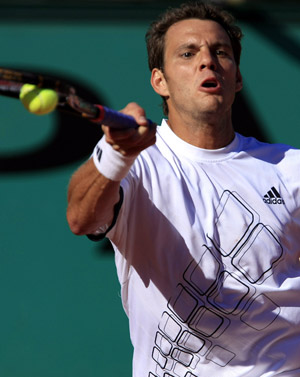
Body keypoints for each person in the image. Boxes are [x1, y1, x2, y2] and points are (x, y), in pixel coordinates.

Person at [66, 1, 300, 376]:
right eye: (188, 54)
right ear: (160, 80)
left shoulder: (291, 169)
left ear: (237, 77)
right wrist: (114, 154)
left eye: (220, 52)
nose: (207, 61)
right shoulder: (135, 163)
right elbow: (81, 218)